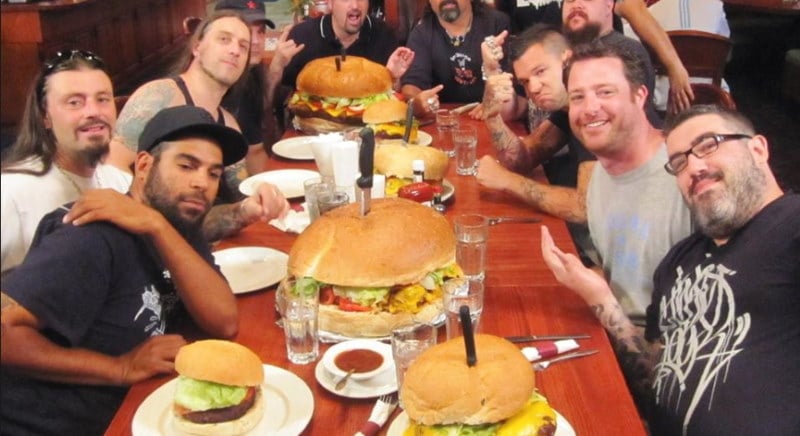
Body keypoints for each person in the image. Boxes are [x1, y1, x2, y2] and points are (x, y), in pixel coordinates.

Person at [541, 105, 800, 435]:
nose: (693, 167)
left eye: (708, 144)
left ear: (757, 149)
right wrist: (600, 297)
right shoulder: (679, 261)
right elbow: (654, 373)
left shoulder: (791, 227)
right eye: (679, 161)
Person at [0, 105, 244, 435]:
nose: (202, 183)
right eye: (187, 165)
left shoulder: (175, 222)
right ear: (144, 165)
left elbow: (224, 321)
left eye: (213, 174)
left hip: (143, 406)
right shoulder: (90, 236)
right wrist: (119, 367)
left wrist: (157, 226)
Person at [106, 12, 290, 241]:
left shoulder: (229, 124)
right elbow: (111, 170)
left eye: (243, 47)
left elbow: (239, 193)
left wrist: (259, 198)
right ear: (197, 47)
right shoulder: (158, 95)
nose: (235, 50)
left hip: (200, 242)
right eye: (224, 39)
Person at [557, 41, 693, 323]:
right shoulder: (599, 176)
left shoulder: (688, 173)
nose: (590, 108)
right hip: (615, 333)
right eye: (577, 97)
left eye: (605, 92)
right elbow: (620, 279)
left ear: (640, 95)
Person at [1, 50, 131, 274]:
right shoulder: (10, 192)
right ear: (45, 117)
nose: (93, 111)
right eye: (74, 102)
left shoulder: (122, 181)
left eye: (102, 99)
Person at [475, 25, 597, 261]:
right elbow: (524, 158)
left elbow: (584, 208)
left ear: (567, 60)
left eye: (541, 72)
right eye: (525, 81)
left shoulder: (593, 112)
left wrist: (507, 181)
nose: (533, 88)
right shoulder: (568, 108)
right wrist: (493, 117)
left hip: (608, 255)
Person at [400, 0, 523, 120]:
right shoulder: (421, 33)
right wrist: (418, 103)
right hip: (446, 121)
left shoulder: (497, 22)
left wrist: (492, 102)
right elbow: (412, 86)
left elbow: (512, 89)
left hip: (493, 119)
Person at [215, 0, 305, 151]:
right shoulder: (216, 83)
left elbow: (261, 117)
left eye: (261, 31)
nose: (256, 41)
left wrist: (277, 65)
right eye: (247, 31)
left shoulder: (251, 75)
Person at [561, 0, 665, 126]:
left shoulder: (623, 52)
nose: (577, 4)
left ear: (609, 4)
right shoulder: (566, 54)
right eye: (570, 0)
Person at [622, 0, 730, 112]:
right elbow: (725, 51)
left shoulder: (645, 14)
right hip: (711, 98)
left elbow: (627, 44)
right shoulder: (716, 5)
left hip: (660, 101)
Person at [280, 0, 415, 90]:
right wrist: (276, 66)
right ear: (330, 3)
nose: (355, 5)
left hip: (368, 128)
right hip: (312, 127)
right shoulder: (302, 36)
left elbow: (393, 96)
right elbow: (277, 100)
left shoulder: (385, 34)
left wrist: (392, 77)